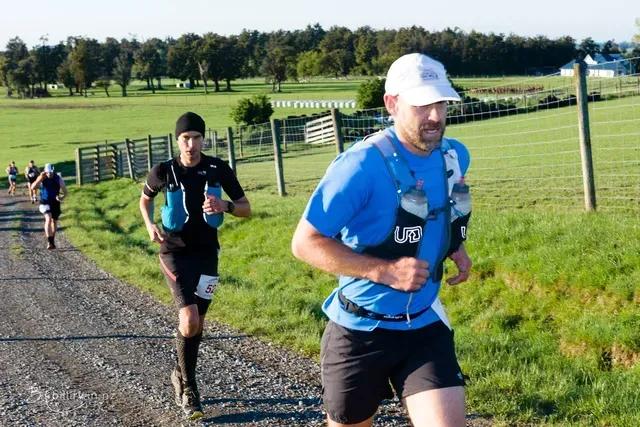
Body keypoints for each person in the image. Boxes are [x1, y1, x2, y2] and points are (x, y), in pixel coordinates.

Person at [291, 53, 473, 427]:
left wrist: (454, 246)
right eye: (422, 105)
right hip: (359, 329)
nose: (435, 116)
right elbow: (305, 242)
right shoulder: (359, 166)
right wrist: (384, 271)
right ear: (392, 104)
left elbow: (440, 211)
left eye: (440, 102)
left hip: (423, 323)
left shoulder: (454, 156)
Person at [139, 112, 251, 420]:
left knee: (197, 322)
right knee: (188, 321)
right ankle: (189, 388)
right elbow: (144, 200)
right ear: (177, 141)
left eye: (197, 138)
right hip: (173, 253)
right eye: (185, 138)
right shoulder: (163, 171)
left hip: (207, 255)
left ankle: (180, 370)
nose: (191, 144)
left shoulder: (218, 168)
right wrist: (149, 225)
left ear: (204, 139)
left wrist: (225, 206)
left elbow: (246, 208)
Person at [30, 163, 68, 249]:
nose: (48, 174)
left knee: (54, 221)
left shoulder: (58, 178)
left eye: (50, 172)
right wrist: (40, 178)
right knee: (48, 218)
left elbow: (65, 192)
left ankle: (52, 241)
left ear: (53, 171)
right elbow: (33, 187)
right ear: (44, 172)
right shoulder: (42, 178)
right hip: (44, 202)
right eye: (47, 173)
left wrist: (61, 197)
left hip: (55, 202)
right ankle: (49, 242)